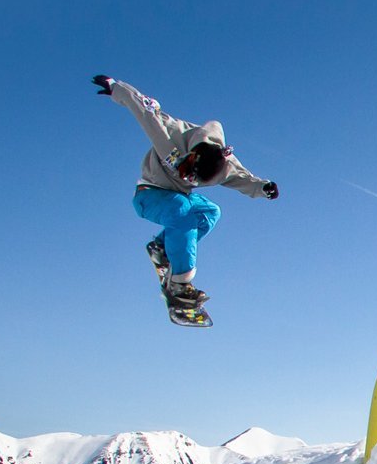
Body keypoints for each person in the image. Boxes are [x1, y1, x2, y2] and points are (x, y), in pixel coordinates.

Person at [93, 75, 279, 307]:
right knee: (181, 210)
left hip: (177, 198)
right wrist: (116, 88)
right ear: (191, 156)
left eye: (195, 178)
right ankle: (180, 284)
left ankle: (162, 246)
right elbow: (144, 110)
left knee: (210, 212)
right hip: (149, 194)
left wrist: (263, 187)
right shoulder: (171, 134)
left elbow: (242, 178)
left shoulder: (227, 165)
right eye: (186, 170)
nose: (187, 177)